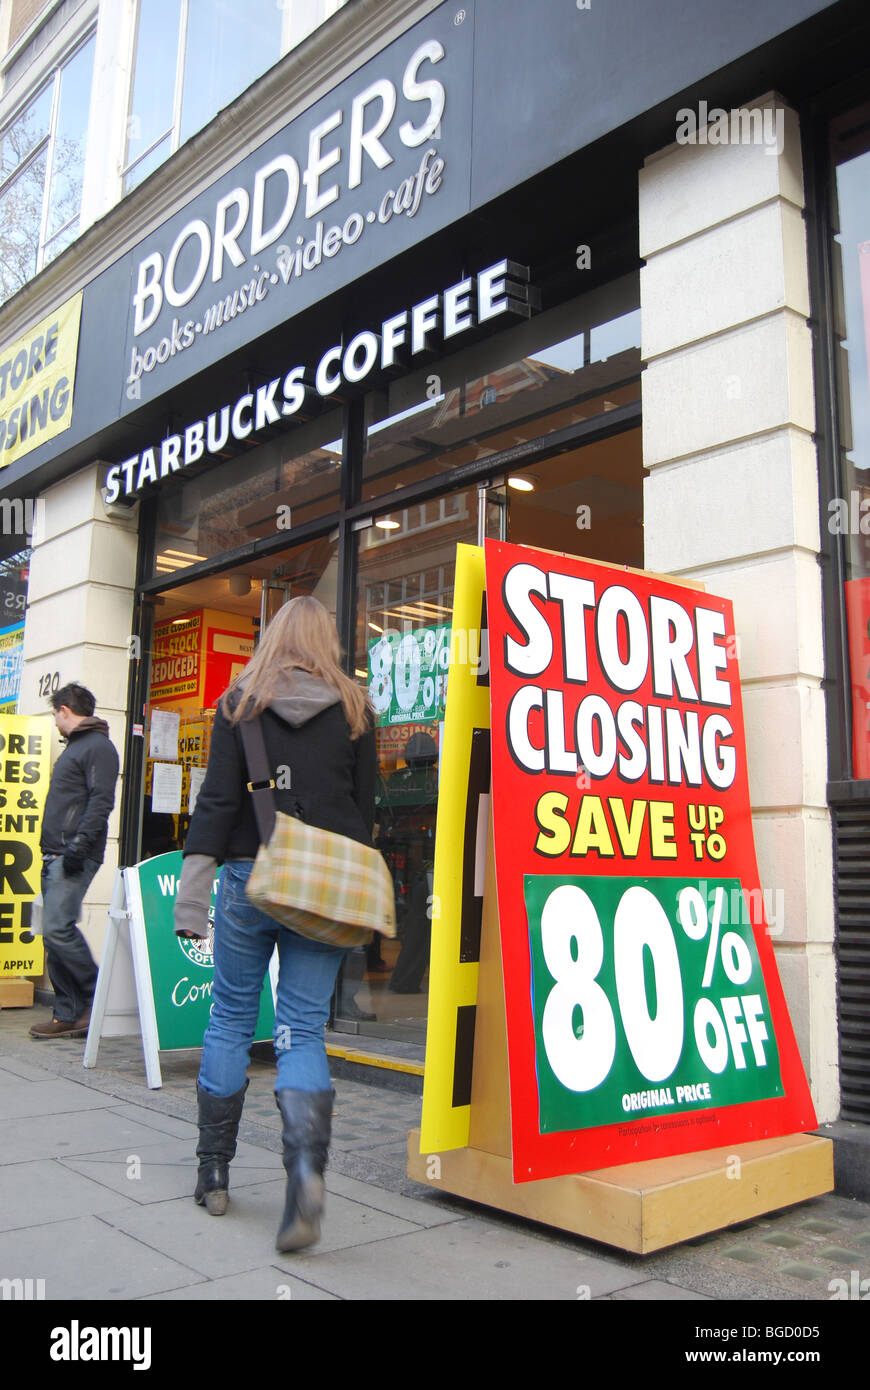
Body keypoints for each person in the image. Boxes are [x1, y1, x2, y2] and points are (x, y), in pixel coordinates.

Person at [173, 596, 376, 1252]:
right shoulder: (356, 710)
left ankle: (213, 1172)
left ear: (273, 638)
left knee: (231, 1018)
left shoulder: (239, 704)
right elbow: (365, 812)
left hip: (245, 877)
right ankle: (306, 1176)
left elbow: (217, 803)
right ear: (328, 641)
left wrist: (189, 899)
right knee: (301, 1030)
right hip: (320, 890)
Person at [29, 684, 120, 1039]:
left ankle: (96, 997)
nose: (54, 721)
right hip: (55, 854)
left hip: (71, 855)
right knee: (52, 936)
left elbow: (101, 802)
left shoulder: (98, 747)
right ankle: (68, 1013)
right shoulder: (79, 747)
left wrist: (77, 849)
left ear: (66, 709)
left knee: (57, 929)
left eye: (55, 713)